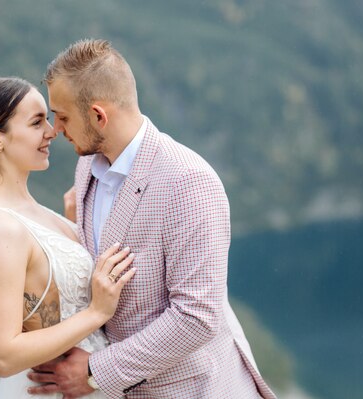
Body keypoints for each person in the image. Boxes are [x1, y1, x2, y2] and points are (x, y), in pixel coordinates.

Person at [26, 39, 277, 398]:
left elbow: (196, 317)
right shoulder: (86, 167)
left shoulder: (190, 183)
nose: (55, 129)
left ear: (99, 116)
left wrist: (95, 373)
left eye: (63, 117)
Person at [0, 76, 136, 398]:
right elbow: (4, 354)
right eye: (37, 122)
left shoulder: (39, 214)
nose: (52, 132)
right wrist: (97, 312)